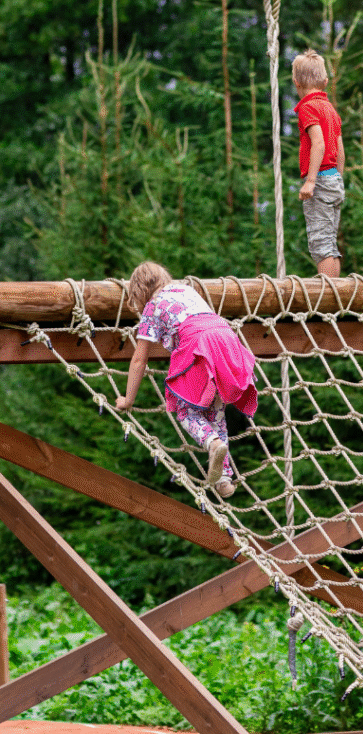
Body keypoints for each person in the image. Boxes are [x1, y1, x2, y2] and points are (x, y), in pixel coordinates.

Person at [115, 262, 258, 498]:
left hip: (197, 344)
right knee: (216, 411)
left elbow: (139, 360)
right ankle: (223, 480)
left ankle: (211, 442)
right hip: (226, 339)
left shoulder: (152, 306)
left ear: (139, 291)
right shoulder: (186, 290)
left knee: (186, 412)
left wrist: (128, 399)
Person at [292, 48, 345, 278]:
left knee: (321, 244)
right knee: (330, 243)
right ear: (325, 82)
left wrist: (311, 181)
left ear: (296, 83)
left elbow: (319, 143)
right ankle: (335, 290)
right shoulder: (330, 110)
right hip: (334, 179)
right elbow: (340, 150)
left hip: (321, 180)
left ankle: (328, 292)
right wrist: (338, 178)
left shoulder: (308, 108)